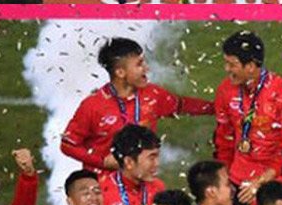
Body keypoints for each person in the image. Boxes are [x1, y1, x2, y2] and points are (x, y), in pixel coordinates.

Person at [61, 37, 213, 174]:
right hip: (103, 187)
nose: (146, 68)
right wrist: (102, 161)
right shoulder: (93, 106)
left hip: (141, 180)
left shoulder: (152, 94)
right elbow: (68, 144)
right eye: (139, 64)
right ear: (120, 72)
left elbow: (181, 106)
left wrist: (217, 107)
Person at [214, 30, 282, 205]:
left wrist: (259, 183)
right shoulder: (225, 90)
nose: (227, 70)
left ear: (251, 66)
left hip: (276, 183)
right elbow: (223, 139)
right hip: (237, 179)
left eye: (232, 64)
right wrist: (224, 180)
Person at [99, 124, 166, 205]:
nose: (157, 164)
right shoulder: (100, 191)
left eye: (157, 157)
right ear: (129, 162)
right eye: (151, 158)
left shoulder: (158, 187)